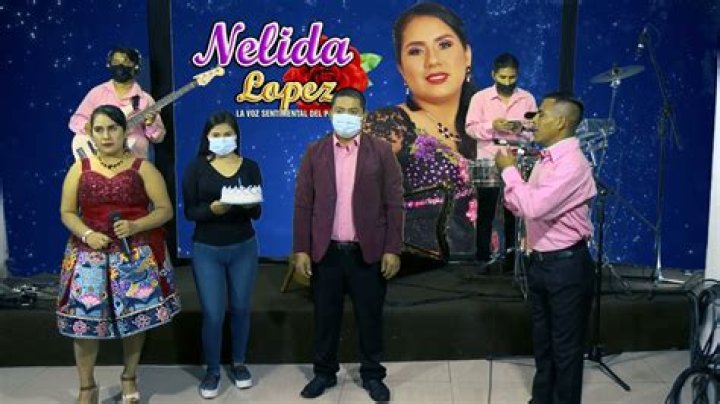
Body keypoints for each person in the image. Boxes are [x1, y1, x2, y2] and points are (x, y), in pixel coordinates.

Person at [57, 104, 180, 404]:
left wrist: (137, 224)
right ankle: (87, 387)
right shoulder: (79, 169)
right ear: (90, 133)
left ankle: (129, 377)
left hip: (134, 255)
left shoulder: (143, 168)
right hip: (88, 255)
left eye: (112, 128)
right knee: (84, 324)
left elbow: (165, 210)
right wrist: (87, 234)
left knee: (135, 319)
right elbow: (67, 212)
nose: (106, 135)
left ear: (125, 131)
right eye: (99, 129)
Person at [293, 88, 404, 402]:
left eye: (353, 111)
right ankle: (324, 373)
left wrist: (392, 248)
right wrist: (301, 249)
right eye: (340, 110)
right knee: (325, 318)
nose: (346, 116)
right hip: (326, 252)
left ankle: (372, 375)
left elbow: (394, 203)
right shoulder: (315, 152)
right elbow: (303, 204)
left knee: (370, 317)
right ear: (330, 113)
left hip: (367, 253)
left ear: (363, 116)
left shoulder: (381, 151)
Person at [495, 92, 596, 404]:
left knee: (565, 349)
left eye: (541, 114)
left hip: (566, 266)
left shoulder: (572, 165)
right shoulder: (547, 158)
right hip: (540, 262)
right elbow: (519, 205)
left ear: (561, 122)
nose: (534, 120)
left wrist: (509, 171)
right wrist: (519, 191)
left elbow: (533, 206)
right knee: (543, 343)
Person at [363, 1, 478, 262]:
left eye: (444, 45)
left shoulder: (490, 121)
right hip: (419, 275)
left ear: (467, 55)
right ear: (401, 69)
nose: (432, 61)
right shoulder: (389, 125)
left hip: (492, 275)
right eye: (416, 51)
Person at [182, 111, 262, 399]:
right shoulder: (195, 168)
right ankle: (213, 370)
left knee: (240, 307)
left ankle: (239, 363)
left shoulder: (250, 167)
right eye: (216, 135)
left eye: (228, 134)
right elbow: (190, 212)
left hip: (244, 247)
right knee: (214, 313)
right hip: (207, 249)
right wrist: (212, 210)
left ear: (236, 136)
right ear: (207, 138)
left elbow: (257, 211)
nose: (223, 139)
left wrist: (248, 205)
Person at [466, 52, 537, 273]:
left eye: (512, 77)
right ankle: (482, 259)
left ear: (518, 75)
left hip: (515, 160)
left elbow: (534, 132)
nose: (507, 82)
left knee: (513, 212)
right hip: (489, 158)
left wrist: (521, 128)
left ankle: (512, 261)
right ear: (493, 75)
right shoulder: (480, 98)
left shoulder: (527, 98)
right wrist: (492, 125)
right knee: (486, 211)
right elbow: (470, 128)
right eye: (503, 77)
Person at [69, 46, 165, 160]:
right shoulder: (97, 93)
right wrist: (88, 127)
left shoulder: (146, 100)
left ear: (135, 66)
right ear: (110, 65)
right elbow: (75, 121)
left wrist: (150, 124)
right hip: (98, 163)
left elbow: (158, 138)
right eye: (116, 62)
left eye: (126, 62)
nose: (120, 66)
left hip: (132, 164)